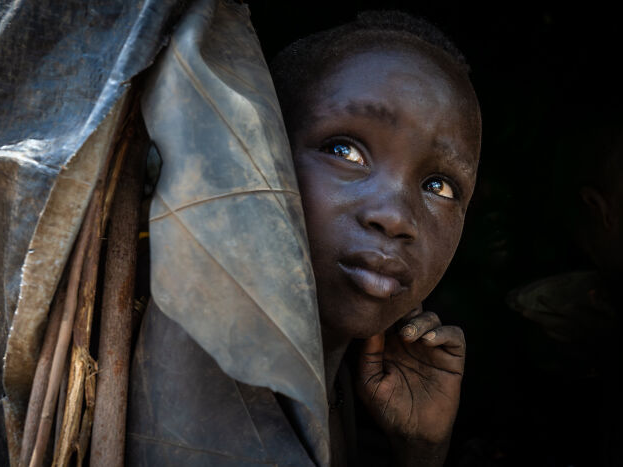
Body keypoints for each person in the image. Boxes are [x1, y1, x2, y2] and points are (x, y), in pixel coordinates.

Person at [127, 9, 480, 467]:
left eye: (440, 186)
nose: (394, 217)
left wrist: (421, 451)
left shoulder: (344, 382)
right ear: (263, 156)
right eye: (344, 151)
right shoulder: (191, 363)